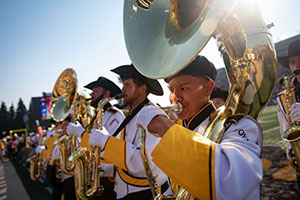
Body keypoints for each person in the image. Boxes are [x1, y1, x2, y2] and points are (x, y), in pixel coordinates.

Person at [136, 55, 263, 199]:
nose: (175, 97)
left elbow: (235, 183)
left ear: (208, 88)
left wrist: (164, 127)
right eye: (171, 90)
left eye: (183, 88)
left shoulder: (237, 124)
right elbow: (177, 184)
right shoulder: (178, 128)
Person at [88, 64, 170, 200]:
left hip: (143, 193)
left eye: (127, 85)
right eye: (123, 84)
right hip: (126, 191)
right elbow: (127, 156)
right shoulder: (132, 115)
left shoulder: (150, 113)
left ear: (142, 88)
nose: (122, 89)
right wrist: (109, 168)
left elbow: (145, 163)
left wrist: (105, 141)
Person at [67, 76, 125, 200]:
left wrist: (81, 133)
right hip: (95, 174)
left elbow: (110, 145)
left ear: (106, 94)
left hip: (106, 176)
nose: (92, 94)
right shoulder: (98, 115)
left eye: (96, 90)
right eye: (92, 91)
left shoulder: (114, 115)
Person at [276, 40, 300, 166]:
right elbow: (284, 132)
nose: (297, 66)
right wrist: (290, 147)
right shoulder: (282, 99)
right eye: (293, 62)